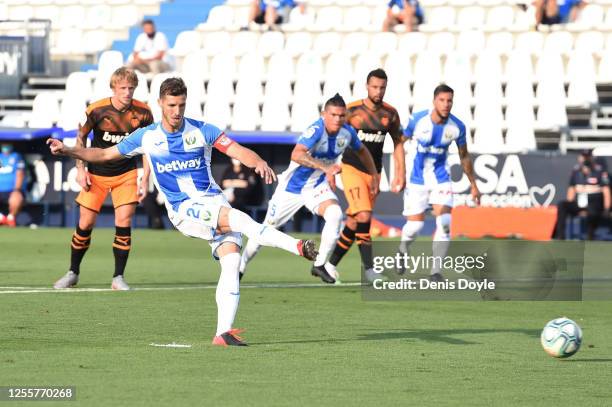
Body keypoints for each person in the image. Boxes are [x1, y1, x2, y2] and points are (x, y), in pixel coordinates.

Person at [47, 77, 318, 347]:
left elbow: (236, 149)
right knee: (240, 220)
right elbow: (105, 155)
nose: (177, 111)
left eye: (182, 105)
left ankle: (222, 334)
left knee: (232, 261)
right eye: (172, 105)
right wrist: (69, 151)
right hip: (184, 210)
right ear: (161, 104)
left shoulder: (203, 131)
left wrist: (257, 160)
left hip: (213, 201)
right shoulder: (147, 136)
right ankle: (296, 246)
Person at [239, 93, 378, 284]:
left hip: (316, 187)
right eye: (333, 115)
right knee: (265, 230)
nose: (337, 119)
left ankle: (320, 264)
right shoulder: (315, 130)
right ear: (324, 114)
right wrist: (325, 168)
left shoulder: (347, 133)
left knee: (336, 214)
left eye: (341, 115)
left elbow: (362, 150)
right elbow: (296, 154)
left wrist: (374, 174)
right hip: (292, 189)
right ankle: (241, 265)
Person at [53, 67, 154, 291]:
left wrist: (144, 177)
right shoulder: (96, 110)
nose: (127, 92)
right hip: (97, 173)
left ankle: (118, 277)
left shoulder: (144, 113)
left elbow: (148, 147)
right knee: (85, 223)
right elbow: (80, 138)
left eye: (131, 88)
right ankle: (73, 272)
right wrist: (80, 169)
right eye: (123, 88)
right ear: (113, 88)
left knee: (124, 221)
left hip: (126, 173)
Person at [324, 69, 405, 283]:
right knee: (364, 217)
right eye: (374, 87)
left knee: (353, 221)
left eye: (382, 88)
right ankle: (370, 270)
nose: (378, 91)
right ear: (367, 86)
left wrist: (400, 173)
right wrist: (331, 167)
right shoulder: (351, 111)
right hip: (351, 168)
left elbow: (398, 143)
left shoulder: (391, 114)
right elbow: (332, 135)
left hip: (374, 173)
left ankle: (329, 265)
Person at [400, 84, 480, 282]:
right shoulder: (417, 120)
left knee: (445, 222)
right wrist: (399, 173)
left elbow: (464, 156)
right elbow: (398, 143)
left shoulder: (457, 127)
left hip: (441, 178)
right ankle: (402, 250)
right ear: (434, 101)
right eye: (442, 100)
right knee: (415, 227)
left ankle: (436, 272)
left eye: (449, 100)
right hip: (417, 179)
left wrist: (474, 184)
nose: (446, 104)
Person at [554, 151, 610, 240]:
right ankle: (561, 236)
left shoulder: (599, 171)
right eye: (584, 157)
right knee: (562, 205)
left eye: (587, 157)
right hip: (579, 202)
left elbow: (606, 191)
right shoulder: (576, 171)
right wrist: (571, 204)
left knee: (593, 211)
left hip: (593, 203)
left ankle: (590, 236)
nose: (585, 159)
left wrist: (607, 208)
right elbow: (571, 189)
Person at [0, 143, 25, 227]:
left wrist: (16, 190)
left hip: (11, 190)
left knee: (16, 198)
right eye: (4, 145)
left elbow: (20, 174)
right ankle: (2, 219)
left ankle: (10, 218)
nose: (5, 147)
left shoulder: (16, 156)